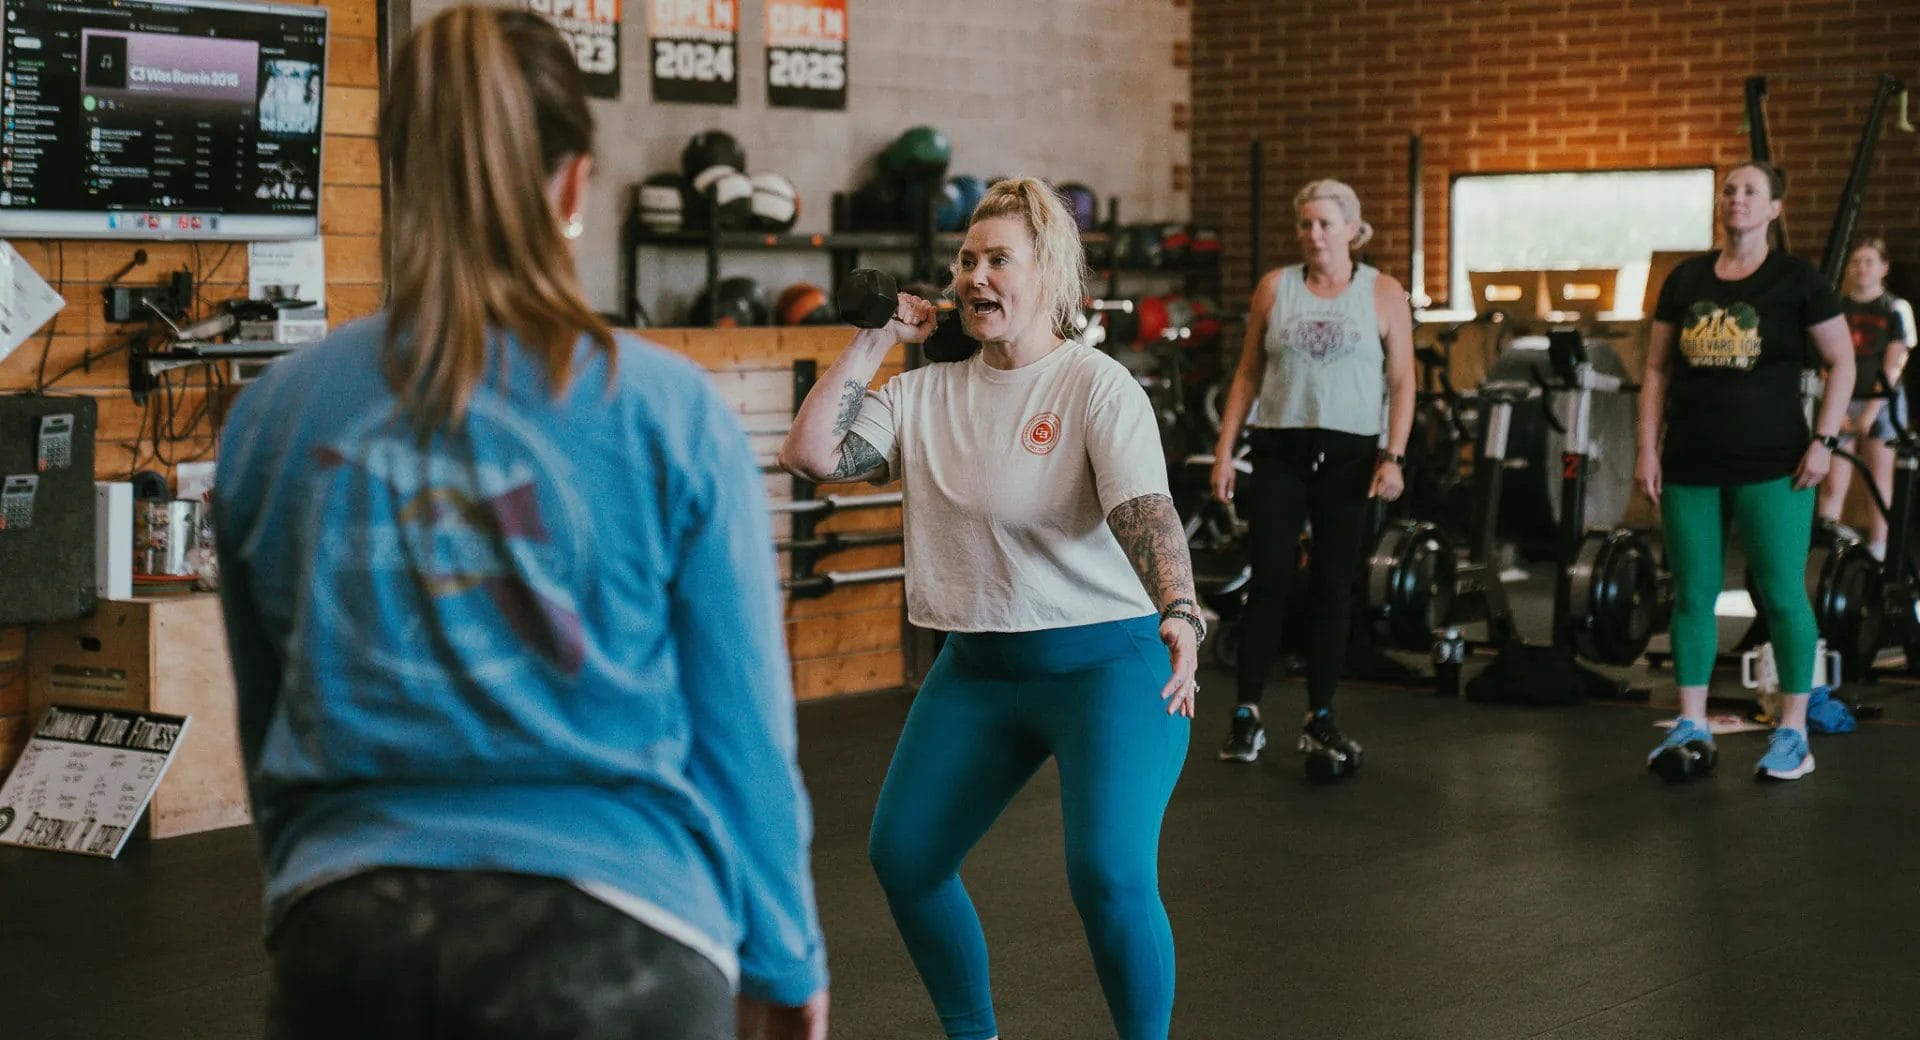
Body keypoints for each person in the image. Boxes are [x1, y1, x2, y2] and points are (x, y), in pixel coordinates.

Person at [213, 8, 828, 1039]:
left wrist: (312, 896)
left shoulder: (271, 417)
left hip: (351, 944)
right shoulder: (671, 413)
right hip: (623, 936)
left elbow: (273, 713)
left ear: (397, 169)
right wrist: (784, 955)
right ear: (577, 181)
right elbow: (744, 736)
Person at [779, 178, 1198, 1040]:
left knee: (1109, 877)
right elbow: (811, 454)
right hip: (978, 667)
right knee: (906, 858)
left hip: (1109, 665)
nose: (974, 277)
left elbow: (1142, 511)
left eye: (998, 259)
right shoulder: (925, 395)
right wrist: (874, 340)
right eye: (966, 260)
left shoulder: (1095, 385)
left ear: (1048, 273)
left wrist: (1180, 610)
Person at [1636, 160, 1855, 783]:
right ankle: (1691, 724)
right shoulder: (1685, 279)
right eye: (1728, 190)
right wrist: (1648, 449)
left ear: (1774, 209)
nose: (1736, 199)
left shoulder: (1797, 280)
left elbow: (1843, 361)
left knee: (1784, 593)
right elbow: (1656, 371)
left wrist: (1825, 441)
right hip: (1691, 462)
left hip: (1774, 464)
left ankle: (1793, 732)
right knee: (1693, 595)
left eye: (1750, 191)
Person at [1207, 179, 1415, 773]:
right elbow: (1247, 373)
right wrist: (1226, 452)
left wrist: (1393, 457)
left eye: (1325, 223)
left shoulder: (1384, 293)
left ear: (1352, 229)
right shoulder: (1276, 288)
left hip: (1352, 456)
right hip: (1280, 449)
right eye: (1305, 225)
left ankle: (1319, 717)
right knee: (1268, 581)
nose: (1314, 234)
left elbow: (1403, 383)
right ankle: (1246, 714)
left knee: (1331, 587)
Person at [1817, 236, 1916, 560]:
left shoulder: (1895, 308)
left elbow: (1894, 362)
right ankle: (1828, 546)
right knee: (1834, 478)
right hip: (1844, 399)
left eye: (1869, 261)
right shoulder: (1837, 307)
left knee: (1879, 479)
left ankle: (1879, 548)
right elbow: (1825, 360)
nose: (1861, 268)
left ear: (1883, 267)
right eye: (1856, 261)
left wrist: (1871, 411)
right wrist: (1837, 407)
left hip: (1882, 403)